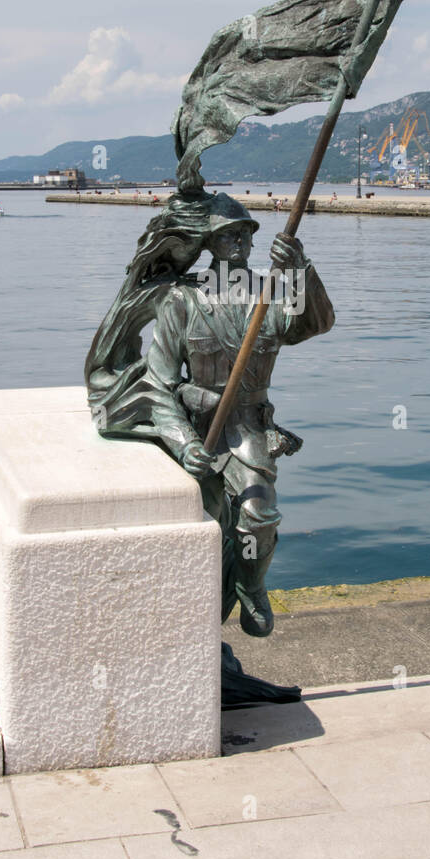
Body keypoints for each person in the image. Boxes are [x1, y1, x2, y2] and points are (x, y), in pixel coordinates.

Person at [143, 194, 334, 636]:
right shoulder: (183, 300)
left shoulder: (272, 294)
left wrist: (300, 269)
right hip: (198, 428)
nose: (239, 240)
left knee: (259, 516)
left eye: (245, 233)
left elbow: (318, 323)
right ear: (209, 241)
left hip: (248, 429)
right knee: (199, 531)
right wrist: (183, 441)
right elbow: (158, 383)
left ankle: (252, 587)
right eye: (228, 233)